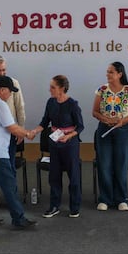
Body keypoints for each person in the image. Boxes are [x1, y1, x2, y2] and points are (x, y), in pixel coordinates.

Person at [0, 76, 39, 229]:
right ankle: (18, 219)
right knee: (9, 186)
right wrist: (27, 134)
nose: (11, 94)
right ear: (2, 90)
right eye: (10, 91)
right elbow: (11, 127)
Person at [92, 61, 128, 211]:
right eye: (107, 72)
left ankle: (121, 199)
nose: (108, 74)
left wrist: (122, 121)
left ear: (120, 74)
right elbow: (95, 112)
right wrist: (104, 119)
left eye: (111, 72)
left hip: (123, 132)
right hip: (104, 130)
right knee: (104, 165)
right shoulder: (102, 90)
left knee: (121, 164)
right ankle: (105, 198)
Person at [38, 75, 84, 219]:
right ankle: (54, 206)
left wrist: (69, 136)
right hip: (54, 143)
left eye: (53, 87)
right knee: (54, 176)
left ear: (62, 89)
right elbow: (45, 121)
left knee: (73, 176)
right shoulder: (50, 102)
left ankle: (74, 207)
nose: (49, 89)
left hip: (70, 144)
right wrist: (34, 131)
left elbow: (80, 126)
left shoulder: (72, 104)